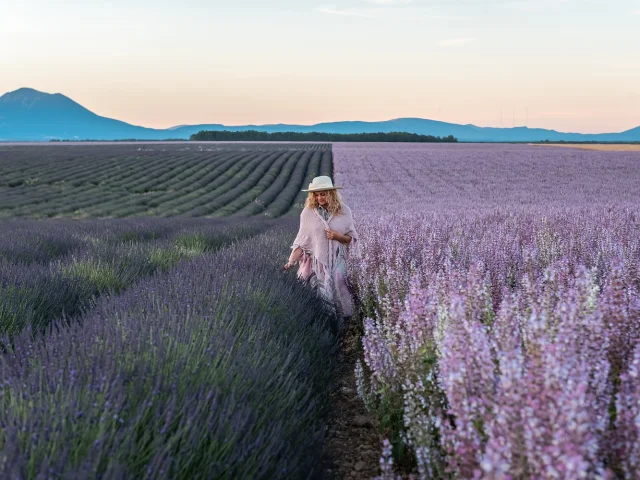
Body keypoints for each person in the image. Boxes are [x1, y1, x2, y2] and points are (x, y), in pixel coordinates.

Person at [284, 175, 359, 325]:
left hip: (339, 258)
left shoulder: (344, 211)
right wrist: (291, 261)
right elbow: (301, 241)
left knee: (340, 284)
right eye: (316, 195)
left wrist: (338, 236)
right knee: (321, 293)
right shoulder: (308, 213)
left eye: (323, 194)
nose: (319, 197)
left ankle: (347, 322)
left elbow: (351, 238)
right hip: (317, 262)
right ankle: (327, 324)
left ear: (331, 193)